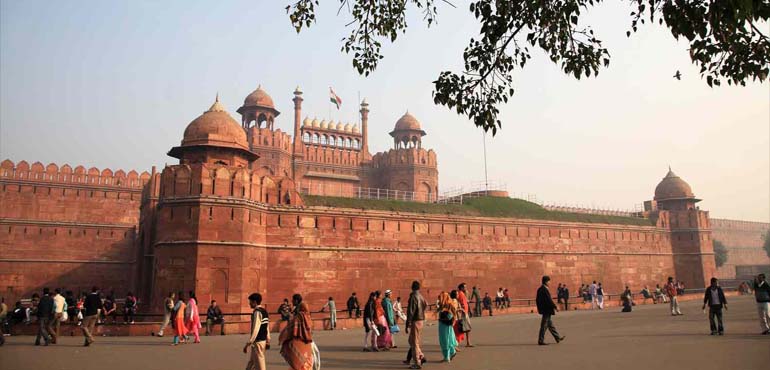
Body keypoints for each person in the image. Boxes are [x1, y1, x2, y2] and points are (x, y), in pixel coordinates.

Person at [279, 294, 316, 370]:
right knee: (306, 362)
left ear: (296, 301)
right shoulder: (308, 317)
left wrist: (282, 337)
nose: (292, 301)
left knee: (297, 363)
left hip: (297, 341)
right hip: (307, 341)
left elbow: (290, 329)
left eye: (293, 300)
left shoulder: (298, 316)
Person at [243, 293, 270, 370]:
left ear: (254, 302)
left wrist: (249, 343)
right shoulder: (264, 311)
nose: (249, 303)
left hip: (258, 341)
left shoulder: (257, 312)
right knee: (252, 362)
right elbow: (266, 326)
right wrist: (268, 339)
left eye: (250, 302)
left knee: (260, 363)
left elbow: (256, 329)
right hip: (262, 340)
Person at [536, 275, 565, 345]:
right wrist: (555, 307)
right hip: (546, 310)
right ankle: (540, 340)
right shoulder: (544, 289)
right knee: (544, 326)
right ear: (546, 281)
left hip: (545, 309)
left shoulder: (540, 289)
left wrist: (540, 308)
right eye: (549, 281)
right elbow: (549, 300)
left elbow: (537, 300)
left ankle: (557, 337)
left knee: (550, 325)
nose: (550, 282)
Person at [405, 280, 427, 369]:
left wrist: (408, 323)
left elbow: (411, 311)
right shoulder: (421, 296)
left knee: (414, 342)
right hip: (420, 320)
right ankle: (421, 355)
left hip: (415, 320)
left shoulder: (413, 296)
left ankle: (417, 363)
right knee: (411, 341)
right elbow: (425, 305)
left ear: (412, 287)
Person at [437, 292, 458, 362]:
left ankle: (447, 357)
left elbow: (451, 315)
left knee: (445, 340)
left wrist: (442, 319)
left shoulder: (447, 305)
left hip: (444, 325)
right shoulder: (446, 305)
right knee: (447, 339)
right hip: (446, 325)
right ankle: (452, 352)